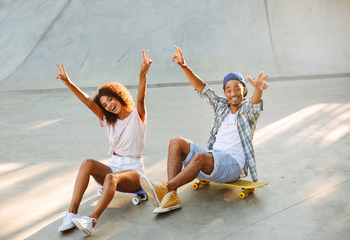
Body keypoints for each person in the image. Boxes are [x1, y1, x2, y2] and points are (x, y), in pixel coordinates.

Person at [140, 46, 269, 214]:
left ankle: (166, 187)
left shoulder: (247, 112)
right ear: (225, 93)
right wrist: (184, 66)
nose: (233, 93)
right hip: (213, 161)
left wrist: (258, 88)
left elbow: (254, 103)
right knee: (176, 142)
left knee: (201, 157)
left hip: (232, 166)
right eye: (228, 90)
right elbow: (202, 88)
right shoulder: (221, 106)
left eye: (237, 88)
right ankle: (171, 196)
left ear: (244, 89)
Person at [56, 50, 153, 235]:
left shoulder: (137, 116)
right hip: (114, 165)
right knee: (88, 164)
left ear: (118, 96)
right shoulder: (109, 120)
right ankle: (71, 213)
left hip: (134, 173)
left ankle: (91, 221)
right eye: (105, 104)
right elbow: (87, 101)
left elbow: (141, 97)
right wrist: (69, 83)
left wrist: (143, 74)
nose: (109, 105)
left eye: (110, 99)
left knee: (110, 178)